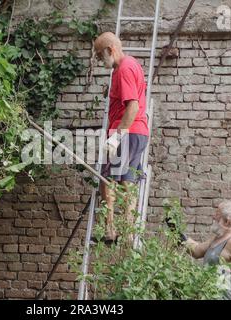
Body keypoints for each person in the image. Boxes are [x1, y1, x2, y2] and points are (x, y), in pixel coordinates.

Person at [93, 32, 149, 244]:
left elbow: (132, 106)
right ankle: (129, 231)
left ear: (110, 50)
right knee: (128, 181)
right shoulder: (128, 65)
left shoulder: (124, 69)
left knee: (108, 181)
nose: (100, 61)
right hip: (137, 133)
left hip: (127, 132)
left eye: (100, 56)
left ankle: (110, 229)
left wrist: (117, 137)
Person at [175, 200, 231, 300]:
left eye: (217, 214)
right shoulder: (218, 237)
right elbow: (196, 251)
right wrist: (177, 233)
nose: (213, 217)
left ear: (227, 221)